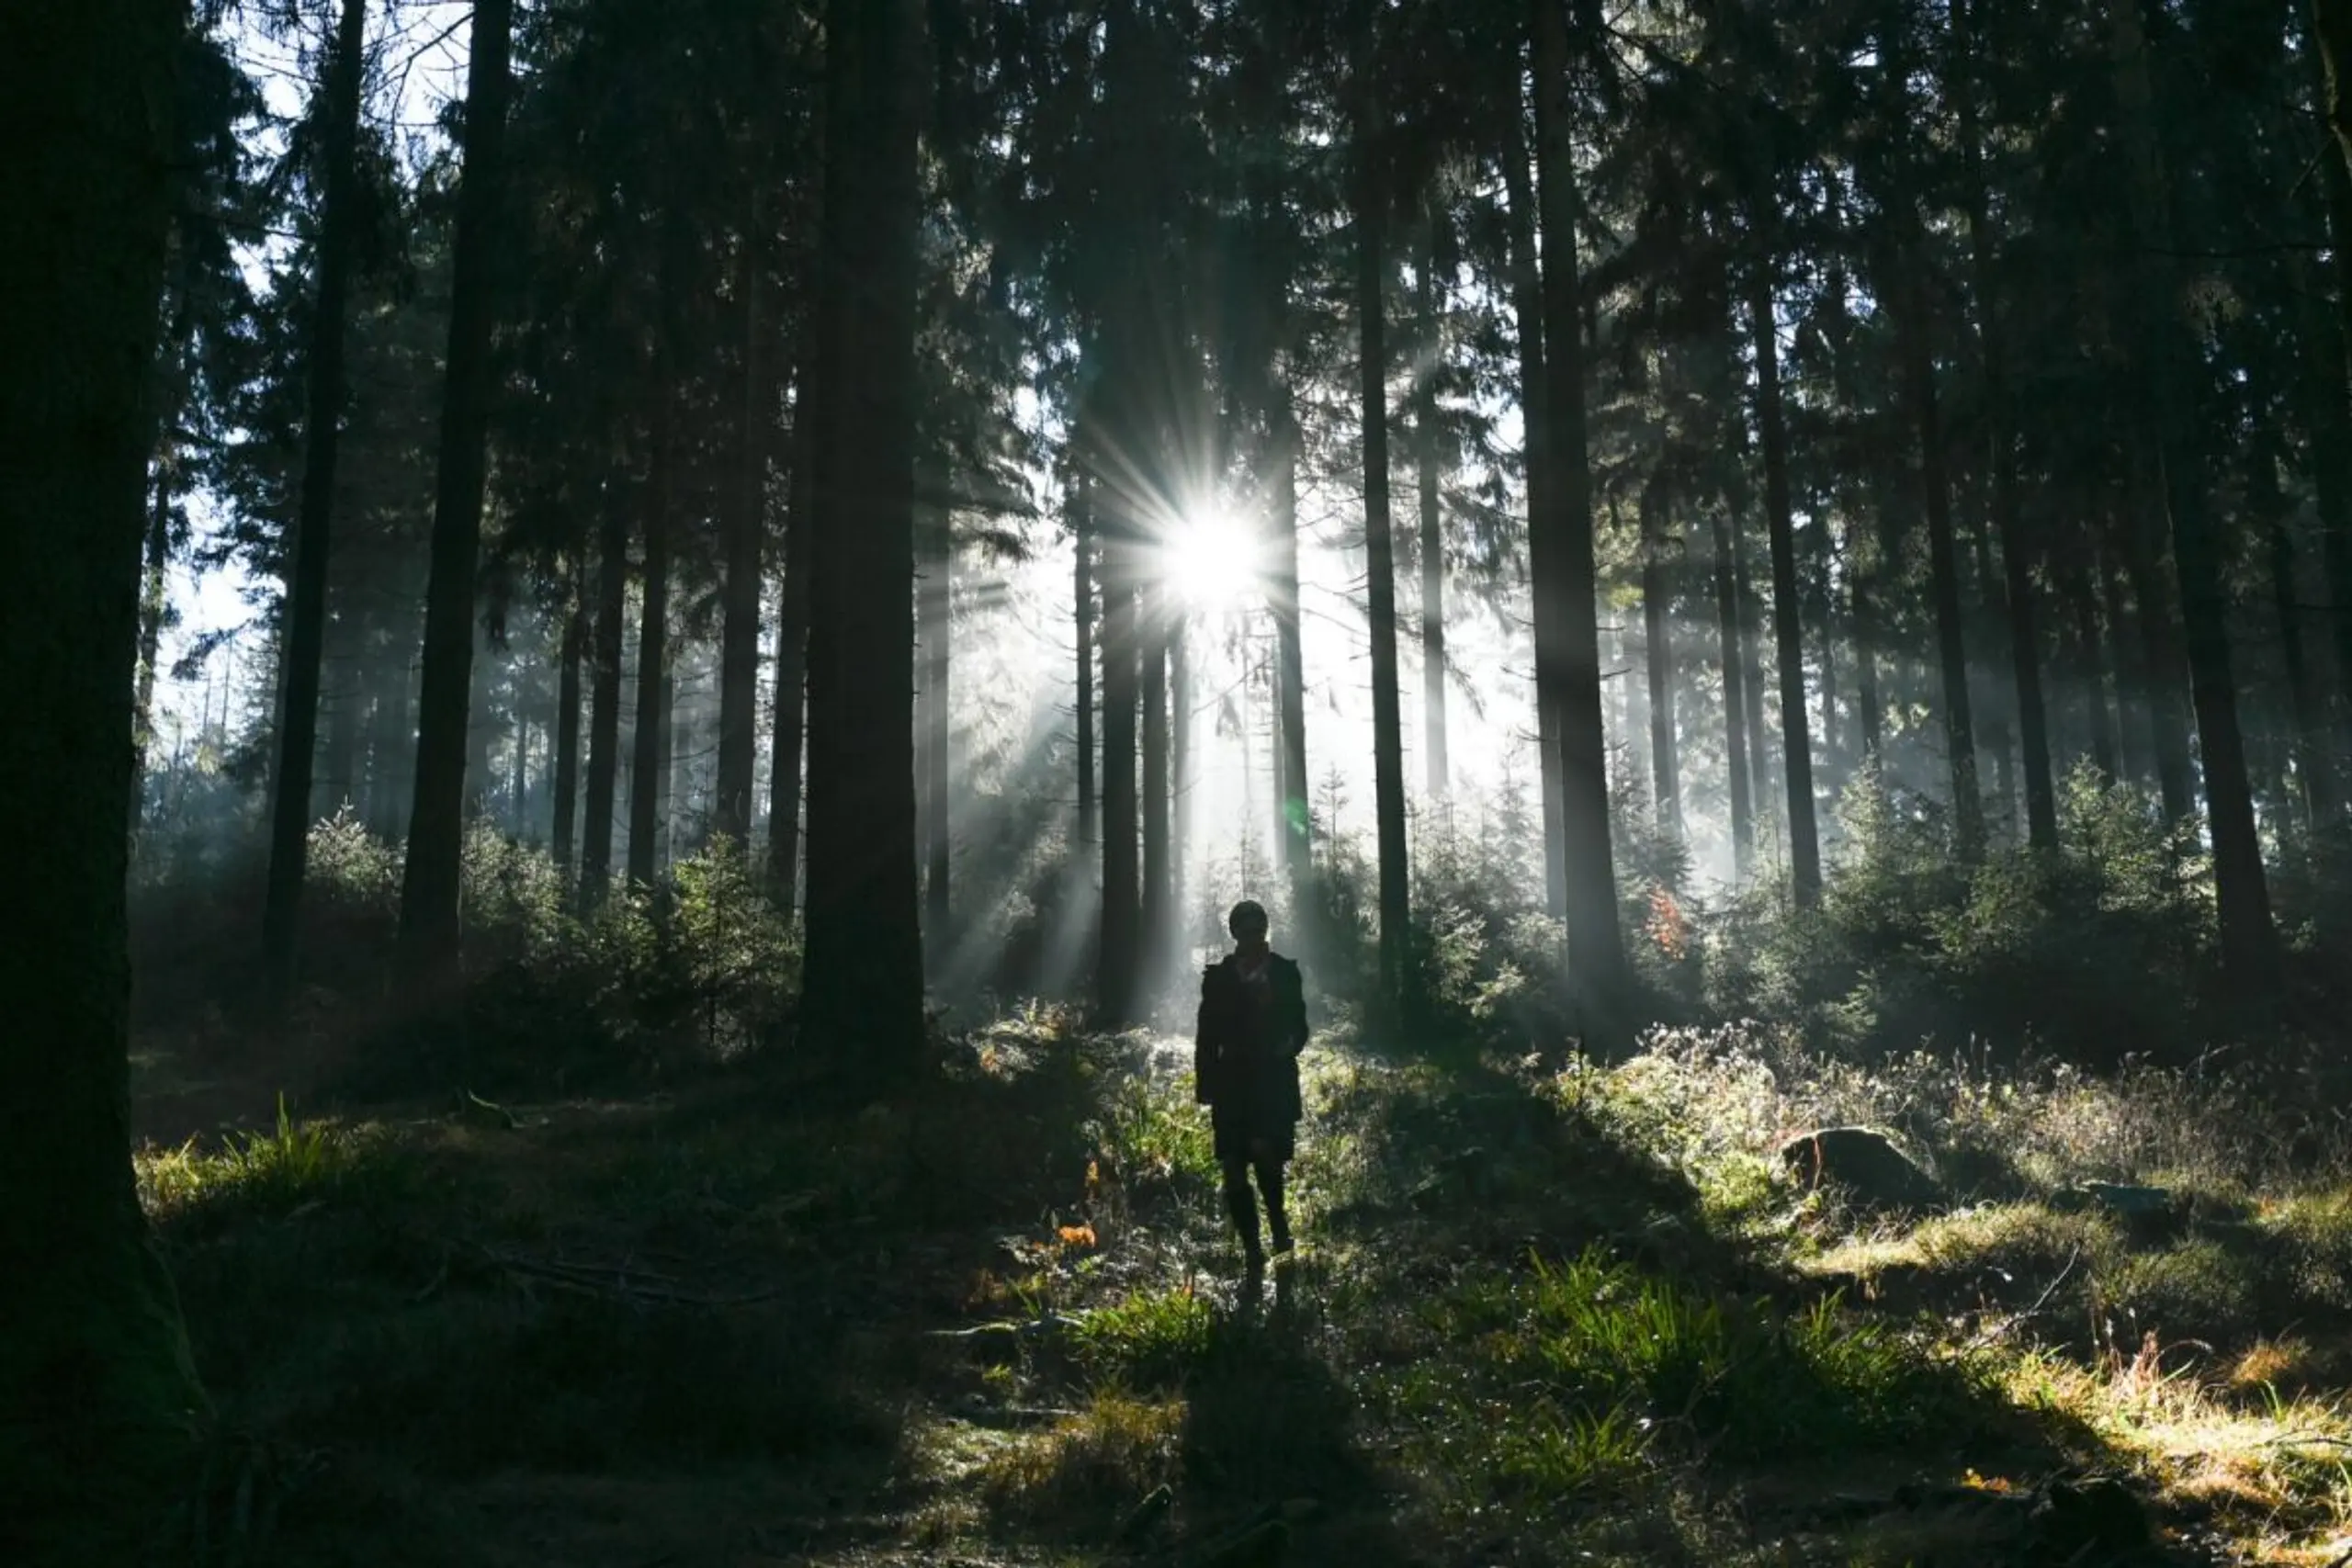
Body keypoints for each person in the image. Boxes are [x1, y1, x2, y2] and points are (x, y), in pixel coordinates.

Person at [1193, 900, 1309, 1272]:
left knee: (1265, 1152)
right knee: (1232, 1163)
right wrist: (1205, 1081)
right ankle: (1251, 1249)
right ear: (1235, 935)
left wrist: (1289, 1043)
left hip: (1272, 1078)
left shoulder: (1285, 973)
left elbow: (1300, 1026)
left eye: (1258, 930)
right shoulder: (1218, 978)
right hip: (1232, 1080)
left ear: (1265, 931)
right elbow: (1206, 1036)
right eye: (1245, 931)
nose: (1252, 937)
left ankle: (1278, 1225)